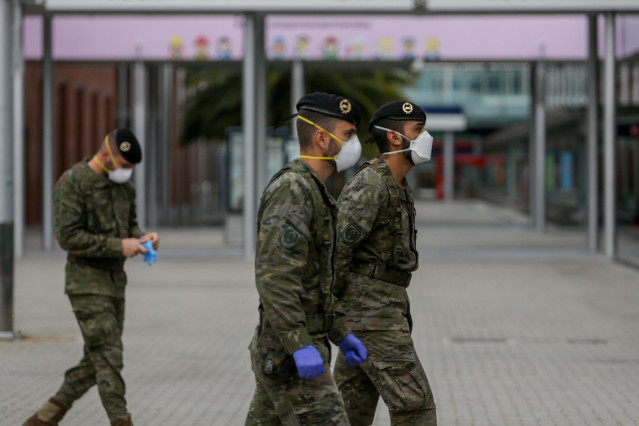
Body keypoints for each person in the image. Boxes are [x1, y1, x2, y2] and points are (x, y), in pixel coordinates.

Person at [245, 92, 368, 425]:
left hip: (290, 350)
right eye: (348, 135)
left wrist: (341, 332)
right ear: (321, 139)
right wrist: (299, 345)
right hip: (289, 356)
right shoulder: (293, 190)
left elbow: (315, 283)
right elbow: (275, 278)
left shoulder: (315, 191)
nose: (354, 144)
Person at [24, 129, 158, 426]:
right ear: (106, 154)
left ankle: (44, 419)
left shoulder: (124, 189)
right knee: (110, 356)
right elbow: (68, 238)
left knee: (96, 358)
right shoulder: (74, 183)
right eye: (124, 165)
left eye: (132, 167)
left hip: (114, 285)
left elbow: (130, 225)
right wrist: (117, 246)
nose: (128, 172)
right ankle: (121, 421)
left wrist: (143, 238)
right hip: (85, 285)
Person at [333, 101, 437, 425]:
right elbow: (336, 252)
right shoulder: (371, 184)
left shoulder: (398, 185)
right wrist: (329, 316)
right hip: (372, 316)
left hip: (380, 310)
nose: (425, 137)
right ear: (395, 137)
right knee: (414, 406)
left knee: (350, 413)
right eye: (418, 130)